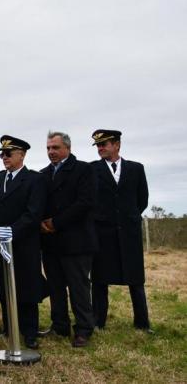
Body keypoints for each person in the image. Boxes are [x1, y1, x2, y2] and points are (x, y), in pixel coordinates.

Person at [0, 136, 47, 350]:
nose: (4, 158)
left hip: (24, 243)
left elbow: (33, 212)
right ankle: (9, 326)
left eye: (8, 154)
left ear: (22, 154)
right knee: (3, 286)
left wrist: (10, 233)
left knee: (27, 287)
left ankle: (30, 331)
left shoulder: (35, 179)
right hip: (0, 243)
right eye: (2, 154)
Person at [90, 129, 152, 332]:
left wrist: (129, 217)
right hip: (102, 233)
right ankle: (98, 321)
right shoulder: (91, 170)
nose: (100, 148)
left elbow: (142, 199)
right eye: (98, 145)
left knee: (136, 280)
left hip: (129, 233)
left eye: (104, 144)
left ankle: (142, 323)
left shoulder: (136, 169)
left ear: (116, 145)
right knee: (100, 279)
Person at [39, 131, 97, 347]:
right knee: (55, 286)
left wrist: (56, 222)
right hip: (51, 242)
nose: (51, 152)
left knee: (78, 287)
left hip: (76, 241)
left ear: (67, 148)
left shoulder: (84, 170)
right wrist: (40, 223)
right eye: (48, 148)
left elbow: (85, 203)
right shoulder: (43, 174)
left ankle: (83, 329)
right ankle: (59, 325)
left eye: (55, 148)